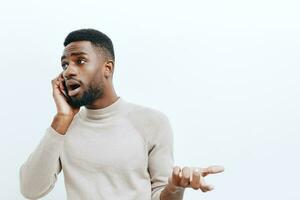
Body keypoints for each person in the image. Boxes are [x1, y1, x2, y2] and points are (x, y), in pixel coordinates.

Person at [19, 29, 224, 200]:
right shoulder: (63, 129)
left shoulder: (152, 122)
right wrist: (62, 119)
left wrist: (176, 187)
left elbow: (161, 194)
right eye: (65, 64)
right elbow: (30, 189)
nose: (68, 71)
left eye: (80, 61)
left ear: (107, 68)